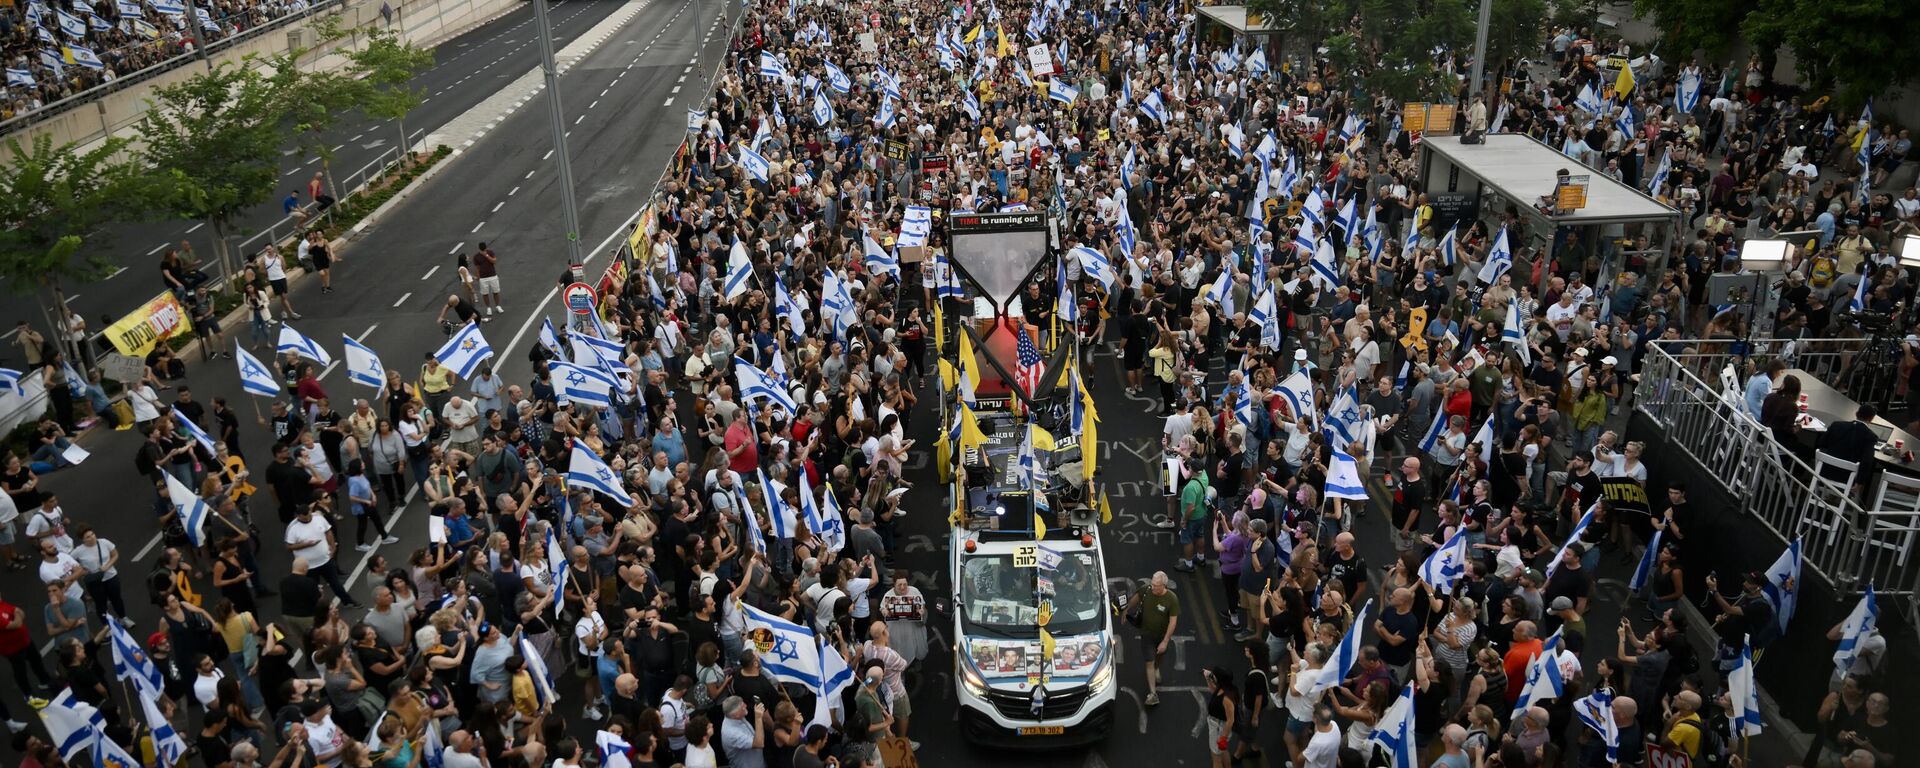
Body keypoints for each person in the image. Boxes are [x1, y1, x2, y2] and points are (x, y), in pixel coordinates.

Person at [1124, 571, 1181, 706]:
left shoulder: (1172, 599)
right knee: (1149, 661)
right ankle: (1153, 694)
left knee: (1159, 656)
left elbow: (1173, 622)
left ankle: (1157, 668)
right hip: (1147, 635)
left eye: (1156, 585)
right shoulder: (1147, 590)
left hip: (1162, 636)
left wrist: (1166, 641)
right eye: (1152, 583)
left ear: (1164, 585)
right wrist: (1127, 609)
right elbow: (1137, 596)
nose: (1152, 587)